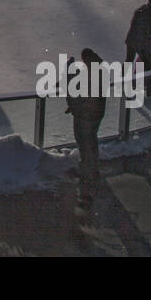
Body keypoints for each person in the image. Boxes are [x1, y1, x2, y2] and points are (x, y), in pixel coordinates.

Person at [65, 47, 107, 197]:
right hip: (95, 113)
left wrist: (69, 71)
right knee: (90, 140)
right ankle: (92, 168)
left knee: (84, 140)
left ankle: (87, 171)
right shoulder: (99, 69)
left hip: (86, 115)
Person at [125, 0, 151, 97]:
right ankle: (149, 88)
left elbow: (134, 26)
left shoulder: (139, 11)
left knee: (128, 61)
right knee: (148, 66)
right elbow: (149, 33)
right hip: (141, 44)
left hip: (131, 40)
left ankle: (125, 86)